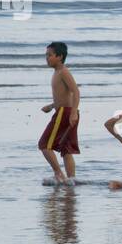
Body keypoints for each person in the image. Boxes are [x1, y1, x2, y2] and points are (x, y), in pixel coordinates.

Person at [38, 42, 80, 185]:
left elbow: (76, 92)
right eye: (46, 55)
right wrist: (51, 106)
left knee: (44, 144)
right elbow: (64, 97)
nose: (47, 58)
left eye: (50, 55)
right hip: (64, 111)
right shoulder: (57, 72)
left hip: (66, 113)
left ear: (60, 56)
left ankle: (58, 174)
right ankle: (71, 179)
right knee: (66, 149)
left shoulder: (63, 72)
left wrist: (73, 112)